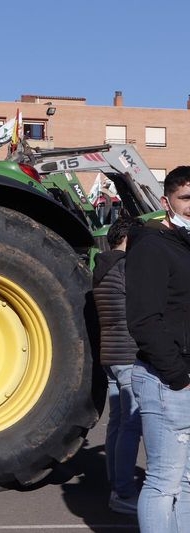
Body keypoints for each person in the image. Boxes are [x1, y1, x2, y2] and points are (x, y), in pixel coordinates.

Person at [126, 165, 190, 532]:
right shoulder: (152, 246)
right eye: (186, 198)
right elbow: (144, 320)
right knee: (164, 481)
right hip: (167, 379)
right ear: (166, 202)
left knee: (187, 482)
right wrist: (178, 376)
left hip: (180, 375)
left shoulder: (183, 246)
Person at [92, 214, 143, 515]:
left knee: (117, 422)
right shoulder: (126, 268)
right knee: (131, 425)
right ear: (128, 240)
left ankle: (115, 482)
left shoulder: (101, 268)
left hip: (110, 355)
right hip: (128, 354)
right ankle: (123, 491)